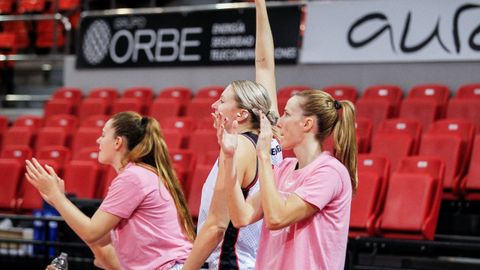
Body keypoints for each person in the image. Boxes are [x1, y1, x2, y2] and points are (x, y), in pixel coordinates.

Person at [182, 0, 282, 269]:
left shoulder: (238, 147)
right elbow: (264, 65)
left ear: (241, 114)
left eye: (222, 100)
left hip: (230, 263)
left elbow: (216, 225)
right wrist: (260, 7)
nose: (214, 105)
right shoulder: (269, 132)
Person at [26, 111, 195, 270]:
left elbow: (91, 233)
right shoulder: (139, 174)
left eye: (103, 134)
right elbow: (99, 239)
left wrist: (57, 198)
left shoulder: (133, 177)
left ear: (117, 142)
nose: (98, 141)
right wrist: (60, 201)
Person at [218, 90, 358, 270]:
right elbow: (240, 217)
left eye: (287, 114)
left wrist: (264, 156)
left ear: (307, 124)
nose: (280, 121)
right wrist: (229, 159)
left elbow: (276, 218)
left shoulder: (330, 172)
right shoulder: (285, 168)